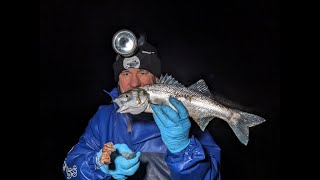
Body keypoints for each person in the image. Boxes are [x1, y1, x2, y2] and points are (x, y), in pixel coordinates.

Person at [62, 36, 221, 179]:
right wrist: (99, 163)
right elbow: (70, 169)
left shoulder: (185, 118)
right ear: (118, 80)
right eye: (125, 73)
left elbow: (211, 176)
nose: (134, 83)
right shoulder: (103, 119)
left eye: (143, 72)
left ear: (157, 79)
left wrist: (183, 150)